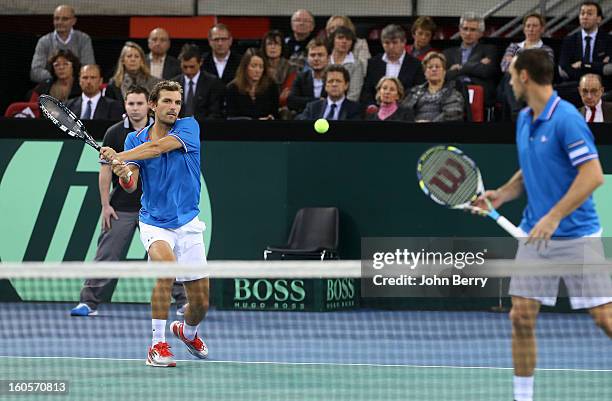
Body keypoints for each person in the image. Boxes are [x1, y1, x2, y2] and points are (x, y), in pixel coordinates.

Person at [476, 49, 612, 401]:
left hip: (577, 235)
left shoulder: (567, 119)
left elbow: (593, 175)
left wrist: (554, 216)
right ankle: (523, 398)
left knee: (605, 320)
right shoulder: (524, 118)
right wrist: (502, 194)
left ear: (524, 76)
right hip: (536, 236)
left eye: (511, 75)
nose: (508, 81)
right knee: (520, 317)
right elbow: (531, 168)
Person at [100, 81, 210, 367]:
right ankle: (157, 346)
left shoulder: (189, 127)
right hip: (154, 222)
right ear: (153, 105)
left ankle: (186, 332)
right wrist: (122, 172)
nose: (174, 107)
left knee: (200, 305)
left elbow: (158, 148)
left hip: (187, 222)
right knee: (166, 271)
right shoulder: (134, 139)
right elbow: (130, 185)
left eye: (177, 102)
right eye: (167, 102)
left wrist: (118, 156)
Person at [70, 86, 187, 317]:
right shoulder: (114, 133)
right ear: (125, 105)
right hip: (122, 207)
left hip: (156, 210)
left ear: (149, 105)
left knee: (168, 257)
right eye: (131, 104)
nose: (135, 108)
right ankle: (88, 302)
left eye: (139, 104)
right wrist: (106, 205)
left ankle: (184, 301)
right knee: (106, 255)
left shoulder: (163, 131)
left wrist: (122, 157)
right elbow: (105, 173)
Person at [499, 13, 554, 120]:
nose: (531, 29)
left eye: (534, 26)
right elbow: (504, 67)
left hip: (535, 87)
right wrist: (533, 64)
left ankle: (518, 115)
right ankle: (517, 113)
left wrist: (515, 61)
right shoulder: (514, 47)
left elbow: (545, 70)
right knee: (509, 76)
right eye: (528, 26)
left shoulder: (546, 50)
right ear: (524, 29)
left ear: (542, 29)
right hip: (510, 87)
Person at [360, 24, 424, 107]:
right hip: (377, 114)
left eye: (395, 42)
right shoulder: (374, 63)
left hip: (405, 114)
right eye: (387, 43)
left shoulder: (415, 65)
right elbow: (367, 91)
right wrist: (371, 106)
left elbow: (418, 93)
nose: (391, 46)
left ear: (403, 42)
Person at [443, 12, 498, 107]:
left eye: (473, 30)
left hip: (479, 91)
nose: (468, 33)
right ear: (460, 31)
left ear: (481, 33)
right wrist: (476, 65)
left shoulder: (489, 49)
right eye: (465, 29)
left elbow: (486, 71)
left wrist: (460, 68)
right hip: (453, 90)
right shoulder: (447, 53)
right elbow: (445, 76)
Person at [30, 4, 95, 83]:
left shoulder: (84, 39)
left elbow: (89, 69)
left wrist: (69, 79)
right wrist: (57, 77)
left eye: (65, 19)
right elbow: (35, 72)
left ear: (74, 21)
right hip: (50, 86)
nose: (60, 22)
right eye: (56, 19)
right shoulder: (44, 41)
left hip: (77, 88)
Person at [402, 52, 464, 122]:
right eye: (430, 67)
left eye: (437, 67)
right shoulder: (414, 91)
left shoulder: (453, 92)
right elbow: (404, 113)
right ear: (425, 73)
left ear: (444, 72)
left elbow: (452, 114)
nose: (434, 69)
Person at [559, 1, 611, 83]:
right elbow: (563, 68)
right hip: (575, 85)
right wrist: (596, 68)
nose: (585, 17)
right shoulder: (569, 40)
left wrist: (582, 65)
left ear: (599, 19)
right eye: (582, 13)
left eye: (589, 14)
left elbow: (609, 69)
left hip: (602, 86)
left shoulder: (609, 40)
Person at [172, 43, 225, 120]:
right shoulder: (173, 83)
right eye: (185, 67)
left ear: (200, 62)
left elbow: (215, 112)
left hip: (205, 128)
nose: (188, 71)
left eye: (192, 67)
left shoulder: (212, 83)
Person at [226, 48, 279, 120]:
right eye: (253, 66)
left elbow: (275, 113)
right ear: (245, 67)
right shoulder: (233, 88)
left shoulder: (271, 86)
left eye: (261, 67)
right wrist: (255, 121)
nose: (257, 70)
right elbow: (231, 117)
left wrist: (271, 118)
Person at [296, 64, 363, 120]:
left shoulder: (355, 109)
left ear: (346, 85)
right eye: (330, 81)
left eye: (338, 81)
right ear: (325, 85)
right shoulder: (312, 107)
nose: (334, 84)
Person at [287, 38, 329, 115]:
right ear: (307, 59)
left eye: (320, 55)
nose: (316, 59)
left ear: (328, 58)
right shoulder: (301, 77)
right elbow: (291, 101)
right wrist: (318, 101)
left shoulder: (334, 78)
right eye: (312, 55)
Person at [328, 26, 364, 102]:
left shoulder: (356, 64)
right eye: (340, 38)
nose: (344, 41)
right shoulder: (325, 60)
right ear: (333, 40)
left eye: (348, 39)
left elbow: (354, 93)